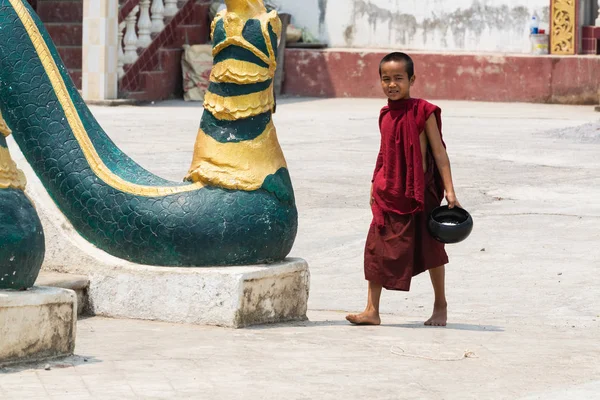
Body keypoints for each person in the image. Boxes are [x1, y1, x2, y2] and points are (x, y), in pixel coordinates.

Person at [346, 52, 460, 327]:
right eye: (386, 79)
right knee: (375, 248)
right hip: (389, 193)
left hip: (419, 194)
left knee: (431, 250)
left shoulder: (423, 111)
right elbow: (385, 152)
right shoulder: (385, 114)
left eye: (398, 78)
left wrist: (450, 191)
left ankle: (440, 305)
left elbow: (439, 153)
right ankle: (371, 310)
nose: (392, 84)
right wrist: (375, 181)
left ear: (412, 79)